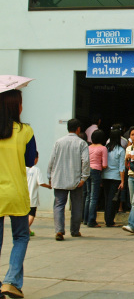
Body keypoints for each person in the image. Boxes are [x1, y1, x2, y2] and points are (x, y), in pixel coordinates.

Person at [0, 89, 37, 299]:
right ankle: (12, 281)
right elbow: (29, 161)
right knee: (21, 236)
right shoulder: (25, 131)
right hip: (15, 192)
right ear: (15, 106)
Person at [48, 118, 90, 241]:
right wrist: (84, 177)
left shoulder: (58, 142)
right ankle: (75, 230)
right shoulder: (82, 143)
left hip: (59, 178)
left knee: (59, 205)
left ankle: (59, 230)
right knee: (77, 205)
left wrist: (49, 176)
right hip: (76, 180)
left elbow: (52, 160)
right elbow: (86, 162)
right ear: (78, 129)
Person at [84, 129, 108, 227]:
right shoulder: (103, 148)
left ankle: (85, 219)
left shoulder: (87, 148)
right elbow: (105, 165)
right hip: (96, 171)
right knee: (94, 197)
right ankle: (91, 220)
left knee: (88, 196)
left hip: (87, 171)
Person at [102, 128, 125, 227]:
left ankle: (107, 219)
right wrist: (123, 181)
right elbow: (121, 167)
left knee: (107, 198)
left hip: (105, 176)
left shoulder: (105, 148)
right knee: (113, 199)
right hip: (115, 177)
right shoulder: (120, 150)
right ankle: (109, 221)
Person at [26, 151, 52, 236]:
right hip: (32, 196)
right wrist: (48, 186)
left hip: (23, 196)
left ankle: (28, 230)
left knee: (25, 214)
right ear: (35, 159)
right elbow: (40, 182)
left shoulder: (23, 168)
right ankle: (25, 229)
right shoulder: (36, 169)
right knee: (32, 213)